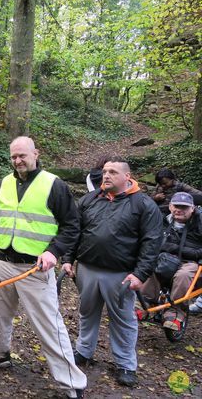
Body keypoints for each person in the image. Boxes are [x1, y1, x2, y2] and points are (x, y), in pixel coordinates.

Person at [0, 136, 87, 399]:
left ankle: (72, 382)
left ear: (35, 153)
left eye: (22, 155)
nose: (18, 161)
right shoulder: (4, 183)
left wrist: (53, 252)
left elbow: (72, 225)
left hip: (34, 268)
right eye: (13, 156)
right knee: (1, 316)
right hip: (2, 262)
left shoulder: (54, 185)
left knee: (49, 325)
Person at [62, 157, 162, 387]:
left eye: (113, 172)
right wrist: (67, 259)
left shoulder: (143, 204)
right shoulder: (89, 199)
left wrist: (140, 274)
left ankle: (126, 364)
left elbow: (152, 242)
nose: (106, 176)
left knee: (123, 319)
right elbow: (75, 231)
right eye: (105, 172)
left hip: (121, 275)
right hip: (87, 269)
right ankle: (83, 352)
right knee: (87, 313)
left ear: (127, 176)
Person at [140, 192, 202, 330]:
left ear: (192, 208)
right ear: (170, 206)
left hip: (191, 262)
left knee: (183, 275)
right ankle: (145, 304)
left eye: (184, 207)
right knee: (151, 266)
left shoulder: (199, 222)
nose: (179, 210)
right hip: (165, 258)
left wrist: (193, 253)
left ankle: (176, 313)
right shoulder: (161, 220)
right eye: (176, 206)